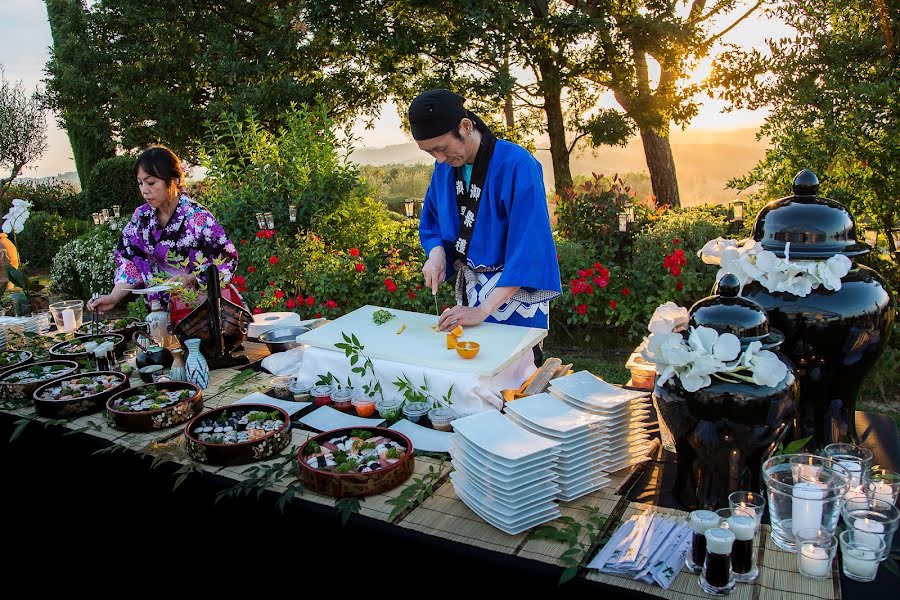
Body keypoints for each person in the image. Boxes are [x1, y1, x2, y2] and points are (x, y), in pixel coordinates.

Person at [410, 89, 561, 332]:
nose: (439, 159)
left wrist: (482, 310)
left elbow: (530, 247)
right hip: (470, 300)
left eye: (442, 148)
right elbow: (433, 222)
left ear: (465, 126)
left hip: (513, 299)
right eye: (430, 152)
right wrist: (436, 254)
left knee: (516, 369)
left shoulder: (517, 164)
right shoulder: (445, 168)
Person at [87, 145, 240, 314]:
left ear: (174, 180)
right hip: (158, 309)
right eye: (140, 183)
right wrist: (113, 297)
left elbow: (226, 259)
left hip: (200, 309)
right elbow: (130, 259)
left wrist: (191, 278)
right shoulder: (141, 217)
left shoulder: (199, 218)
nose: (145, 190)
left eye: (151, 182)